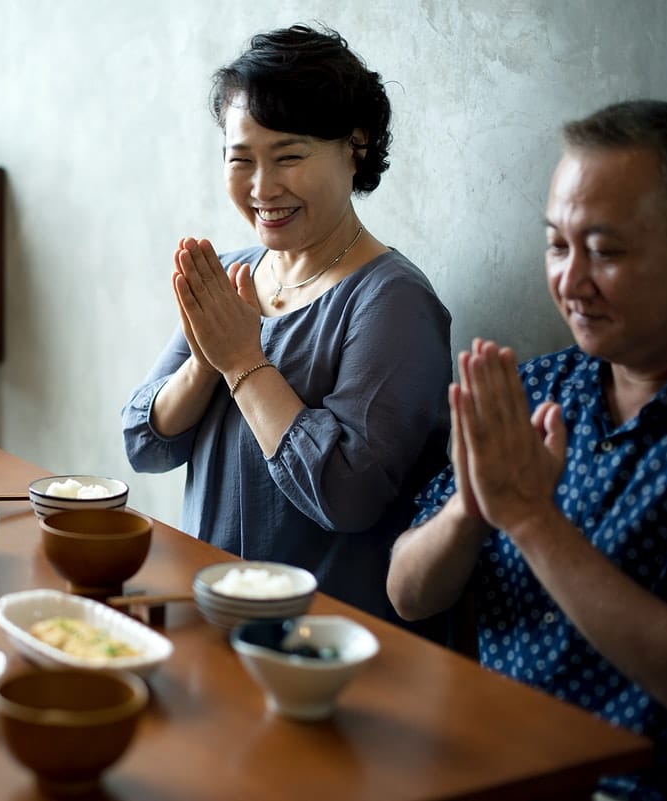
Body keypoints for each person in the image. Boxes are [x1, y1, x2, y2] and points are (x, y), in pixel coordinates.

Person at [386, 99, 667, 801]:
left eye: (605, 251)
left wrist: (530, 518)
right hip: (479, 761)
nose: (570, 282)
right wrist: (470, 508)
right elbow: (407, 591)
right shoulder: (530, 390)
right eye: (557, 244)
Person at [121, 24, 452, 625]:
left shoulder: (393, 301)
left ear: (356, 144)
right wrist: (206, 361)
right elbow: (144, 442)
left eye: (289, 156)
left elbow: (349, 494)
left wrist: (243, 363)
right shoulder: (230, 272)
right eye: (240, 159)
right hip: (210, 610)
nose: (262, 187)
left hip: (323, 645)